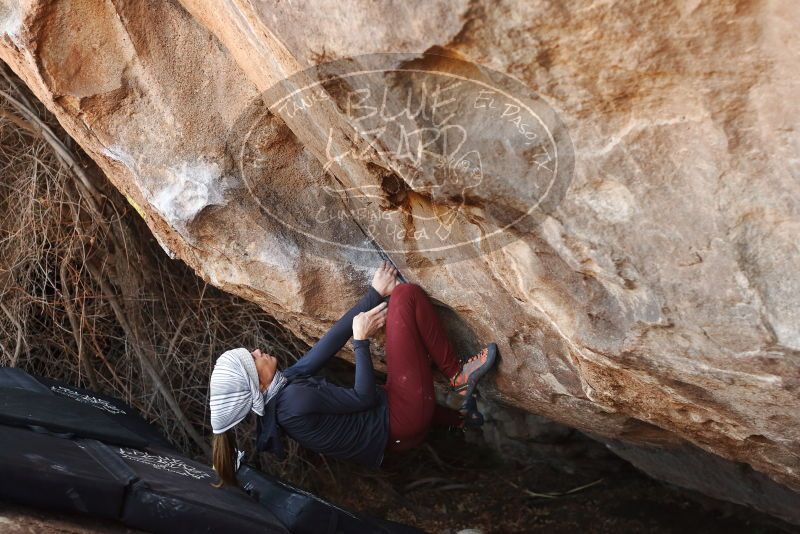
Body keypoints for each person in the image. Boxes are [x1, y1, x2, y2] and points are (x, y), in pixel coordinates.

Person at [208, 261, 497, 487]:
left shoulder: (283, 389)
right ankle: (458, 375)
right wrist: (361, 341)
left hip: (392, 421)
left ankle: (461, 420)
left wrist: (374, 294)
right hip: (399, 420)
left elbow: (329, 342)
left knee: (403, 368)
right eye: (252, 359)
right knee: (406, 296)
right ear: (258, 384)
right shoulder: (292, 402)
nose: (257, 352)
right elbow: (363, 397)